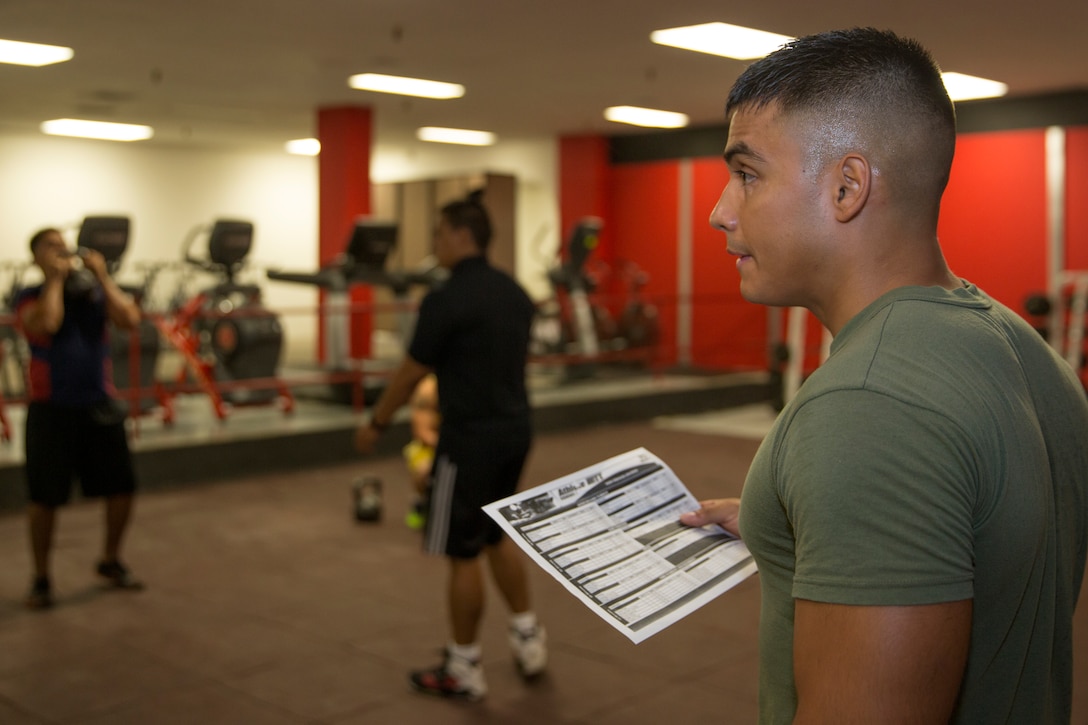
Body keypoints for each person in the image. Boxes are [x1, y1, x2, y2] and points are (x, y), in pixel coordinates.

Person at [680, 28, 1088, 723]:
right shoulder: (1018, 345)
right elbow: (977, 529)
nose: (720, 210)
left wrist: (858, 479)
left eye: (747, 174)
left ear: (847, 186)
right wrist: (812, 526)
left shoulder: (869, 405)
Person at [354, 194, 546, 702]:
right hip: (515, 432)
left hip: (468, 442)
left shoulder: (447, 298)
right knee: (495, 535)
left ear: (462, 235)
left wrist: (376, 421)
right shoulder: (516, 293)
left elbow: (412, 371)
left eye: (440, 234)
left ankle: (464, 667)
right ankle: (529, 639)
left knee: (463, 552)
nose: (435, 243)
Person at [15, 228, 145, 609]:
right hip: (51, 409)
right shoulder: (27, 297)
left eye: (63, 246)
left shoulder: (93, 294)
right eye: (50, 247)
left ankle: (110, 560)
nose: (61, 252)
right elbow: (48, 323)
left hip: (99, 406)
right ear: (36, 258)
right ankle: (41, 578)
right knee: (44, 498)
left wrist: (103, 276)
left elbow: (130, 319)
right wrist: (54, 280)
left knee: (122, 487)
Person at [402, 373, 439, 530]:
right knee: (426, 469)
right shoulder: (428, 389)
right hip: (427, 449)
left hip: (455, 445)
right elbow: (423, 433)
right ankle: (421, 503)